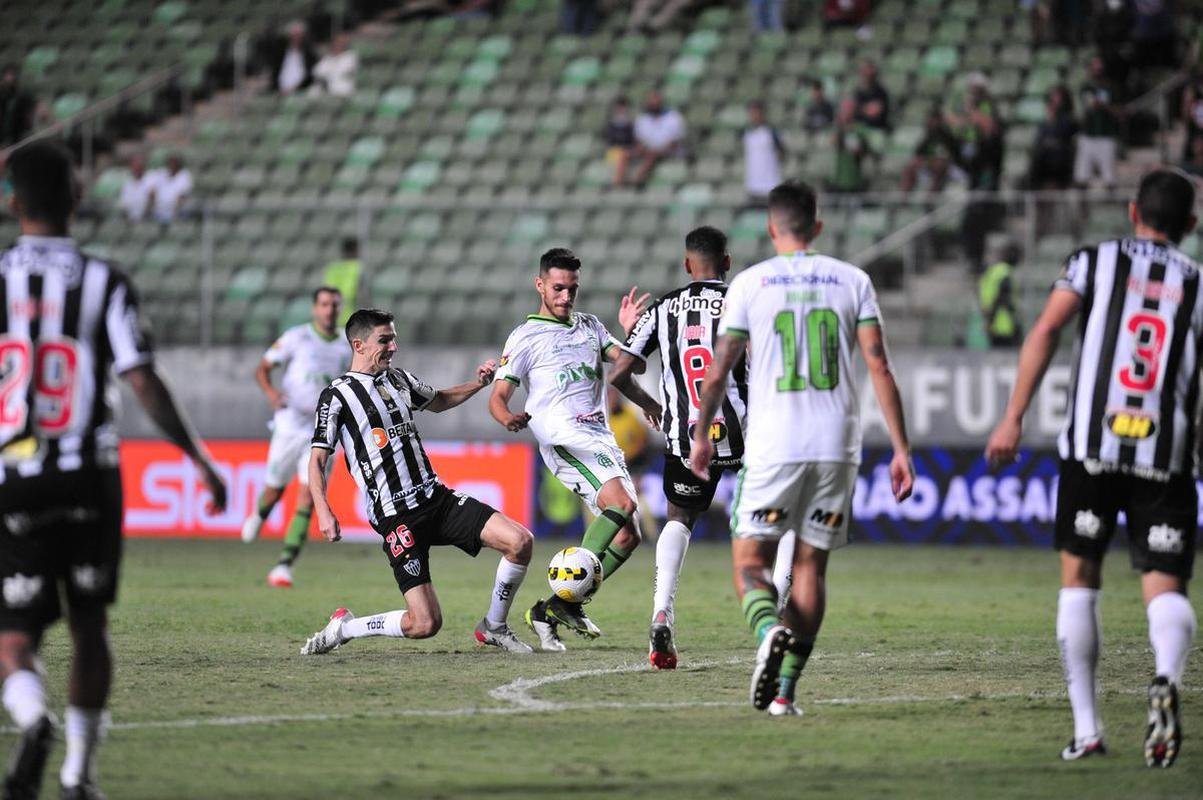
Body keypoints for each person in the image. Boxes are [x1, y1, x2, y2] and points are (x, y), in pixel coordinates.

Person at [0, 139, 228, 800]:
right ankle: (80, 775)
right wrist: (199, 458)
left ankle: (32, 718)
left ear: (12, 203)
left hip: (14, 476)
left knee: (13, 638)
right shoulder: (105, 280)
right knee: (89, 626)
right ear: (77, 197)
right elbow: (142, 381)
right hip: (89, 477)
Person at [986, 169, 1200, 768]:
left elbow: (1047, 328)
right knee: (1165, 585)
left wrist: (1013, 417)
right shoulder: (1197, 281)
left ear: (1133, 212)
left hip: (1092, 446)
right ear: (1190, 224)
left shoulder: (1092, 261)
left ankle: (1087, 731)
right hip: (1166, 451)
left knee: (1079, 578)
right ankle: (1166, 677)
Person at [688, 181, 914, 716]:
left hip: (775, 443)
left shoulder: (750, 283)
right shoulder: (853, 280)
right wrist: (902, 449)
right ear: (817, 226)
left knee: (750, 562)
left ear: (771, 228)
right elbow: (879, 365)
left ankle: (768, 630)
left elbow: (719, 370)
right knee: (811, 567)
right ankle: (785, 694)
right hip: (837, 445)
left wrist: (701, 436)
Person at [301, 308, 536, 655]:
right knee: (425, 624)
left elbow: (439, 401)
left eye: (394, 339)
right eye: (384, 340)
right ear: (359, 345)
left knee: (520, 541)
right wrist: (323, 510)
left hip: (437, 500)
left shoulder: (398, 379)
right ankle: (345, 628)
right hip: (397, 517)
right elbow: (317, 460)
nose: (393, 347)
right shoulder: (337, 396)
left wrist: (479, 383)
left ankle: (494, 626)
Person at [490, 248, 648, 651]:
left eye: (572, 289)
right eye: (558, 288)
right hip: (564, 438)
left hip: (600, 439)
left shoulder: (591, 326)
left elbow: (630, 367)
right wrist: (507, 417)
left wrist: (633, 333)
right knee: (622, 505)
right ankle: (566, 597)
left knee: (628, 537)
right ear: (540, 285)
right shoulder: (525, 337)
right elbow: (498, 396)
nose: (565, 296)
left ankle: (552, 609)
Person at [608, 225, 749, 670]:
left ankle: (661, 613)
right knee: (778, 520)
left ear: (688, 264)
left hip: (686, 434)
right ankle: (778, 617)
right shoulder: (744, 300)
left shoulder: (663, 309)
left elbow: (620, 373)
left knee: (680, 519)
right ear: (727, 262)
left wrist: (652, 406)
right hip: (749, 432)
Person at [241, 287, 351, 587]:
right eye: (324, 304)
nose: (329, 310)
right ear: (315, 308)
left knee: (309, 496)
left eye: (334, 305)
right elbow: (263, 368)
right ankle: (260, 514)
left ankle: (284, 566)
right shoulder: (296, 337)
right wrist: (271, 393)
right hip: (290, 425)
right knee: (274, 491)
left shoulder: (346, 345)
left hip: (323, 430)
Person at [1075, 56, 1122, 189]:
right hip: (1088, 134)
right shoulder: (1085, 87)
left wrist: (1103, 106)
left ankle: (1111, 200)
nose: (1097, 68)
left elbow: (1118, 110)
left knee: (1109, 177)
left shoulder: (1110, 87)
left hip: (1106, 134)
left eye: (1100, 65)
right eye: (1095, 65)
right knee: (1081, 177)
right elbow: (1086, 107)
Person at [630, 90, 687, 186]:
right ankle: (618, 183)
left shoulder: (674, 117)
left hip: (669, 150)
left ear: (661, 103)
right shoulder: (642, 119)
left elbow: (675, 141)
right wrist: (642, 148)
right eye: (651, 103)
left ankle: (637, 179)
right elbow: (639, 140)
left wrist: (660, 149)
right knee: (625, 155)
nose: (653, 105)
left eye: (655, 103)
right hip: (648, 149)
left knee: (653, 154)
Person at [1029, 85, 1078, 190]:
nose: (1054, 100)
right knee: (1037, 156)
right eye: (1052, 97)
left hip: (1061, 154)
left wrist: (1053, 141)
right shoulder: (1046, 120)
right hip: (1046, 155)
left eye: (1057, 97)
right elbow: (1040, 138)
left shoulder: (1069, 118)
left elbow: (1065, 135)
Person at [901, 107, 958, 194]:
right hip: (929, 164)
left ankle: (930, 197)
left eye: (933, 120)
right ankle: (903, 197)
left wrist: (932, 161)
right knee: (910, 168)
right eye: (929, 119)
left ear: (939, 121)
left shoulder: (947, 135)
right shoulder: (928, 135)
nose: (930, 122)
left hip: (948, 167)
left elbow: (950, 155)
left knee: (939, 165)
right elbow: (918, 153)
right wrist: (921, 161)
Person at [978, 241, 1023, 348]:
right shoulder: (1005, 273)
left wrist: (988, 321)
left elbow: (985, 295)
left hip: (993, 323)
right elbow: (1002, 299)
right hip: (1004, 324)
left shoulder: (992, 272)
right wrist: (1015, 323)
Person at [743, 101, 785, 206]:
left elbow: (782, 152)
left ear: (763, 113)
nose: (754, 116)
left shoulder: (771, 132)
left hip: (770, 185)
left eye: (757, 112)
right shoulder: (747, 134)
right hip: (753, 186)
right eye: (752, 113)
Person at [322, 238, 362, 327]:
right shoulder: (358, 267)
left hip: (332, 316)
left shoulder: (332, 268)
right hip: (352, 316)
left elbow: (326, 289)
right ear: (357, 251)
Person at [270, 21, 317, 95]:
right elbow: (275, 71)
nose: (296, 38)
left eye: (299, 35)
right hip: (279, 90)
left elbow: (310, 75)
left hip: (300, 92)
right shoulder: (281, 52)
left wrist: (295, 88)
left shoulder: (309, 54)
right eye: (294, 35)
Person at [149, 154, 192, 224]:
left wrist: (174, 211)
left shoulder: (185, 175)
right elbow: (152, 191)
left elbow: (182, 197)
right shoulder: (162, 173)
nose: (172, 165)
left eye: (174, 163)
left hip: (176, 212)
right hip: (158, 211)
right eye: (170, 163)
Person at [0, 64, 36, 147]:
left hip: (17, 133)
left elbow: (32, 109)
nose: (11, 78)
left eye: (13, 75)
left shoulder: (22, 94)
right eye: (8, 75)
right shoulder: (2, 92)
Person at [603, 96, 636, 187]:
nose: (621, 109)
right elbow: (609, 139)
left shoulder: (631, 123)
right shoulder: (611, 123)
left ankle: (619, 182)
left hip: (627, 150)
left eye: (623, 107)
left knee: (624, 157)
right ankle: (617, 182)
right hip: (614, 151)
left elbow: (633, 139)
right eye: (619, 107)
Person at [117, 153, 156, 222]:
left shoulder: (151, 180)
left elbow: (151, 201)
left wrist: (144, 217)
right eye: (134, 166)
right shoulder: (127, 184)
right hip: (129, 220)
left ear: (143, 167)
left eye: (139, 166)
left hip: (145, 219)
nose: (136, 168)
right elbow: (123, 205)